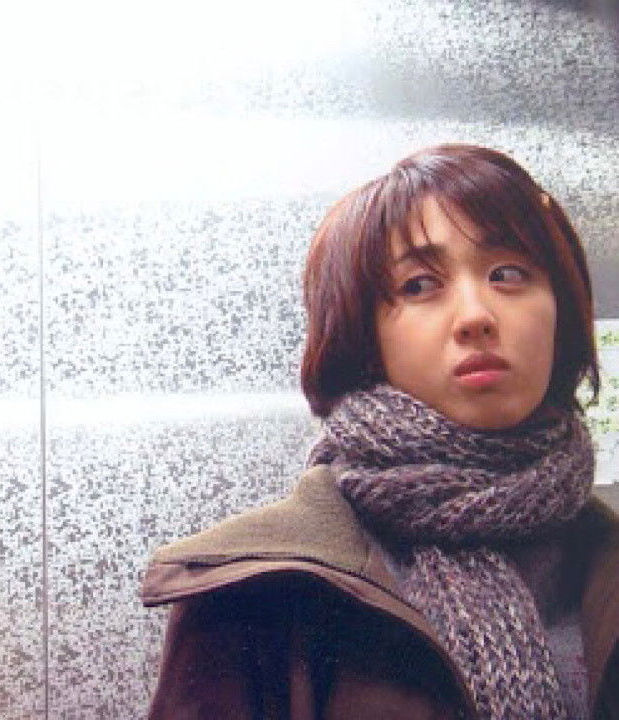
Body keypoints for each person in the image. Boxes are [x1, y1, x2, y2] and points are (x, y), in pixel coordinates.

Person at [142, 144, 618, 719]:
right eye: (418, 285)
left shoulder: (604, 558)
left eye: (507, 274)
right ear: (362, 337)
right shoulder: (256, 592)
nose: (476, 315)